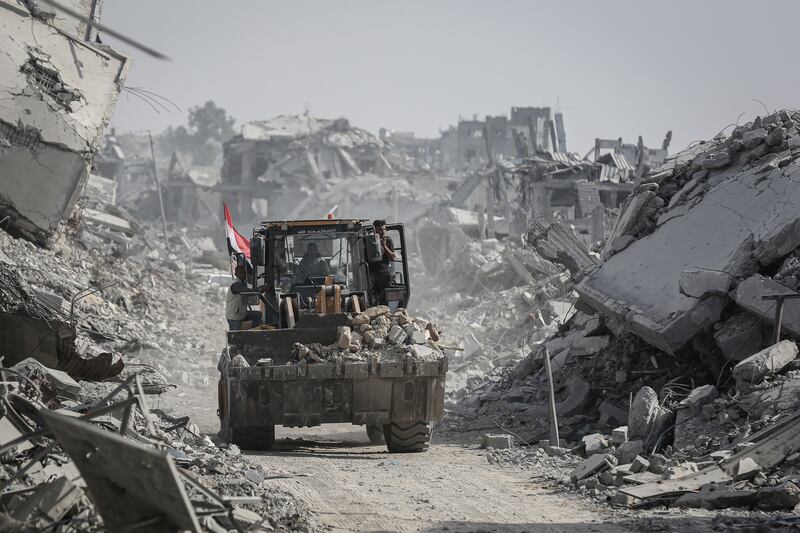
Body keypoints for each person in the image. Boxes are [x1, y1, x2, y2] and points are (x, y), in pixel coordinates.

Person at [225, 265, 261, 330]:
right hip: (234, 316)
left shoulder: (241, 283)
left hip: (241, 313)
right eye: (240, 273)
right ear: (236, 274)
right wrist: (260, 289)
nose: (243, 275)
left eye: (244, 273)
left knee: (258, 315)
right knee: (237, 336)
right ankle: (244, 329)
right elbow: (248, 292)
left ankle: (247, 329)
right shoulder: (236, 285)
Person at [368, 219, 395, 304]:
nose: (383, 232)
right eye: (380, 230)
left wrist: (384, 246)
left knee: (384, 297)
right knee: (370, 298)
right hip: (371, 273)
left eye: (384, 229)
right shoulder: (369, 240)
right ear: (375, 230)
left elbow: (392, 257)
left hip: (384, 272)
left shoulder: (388, 240)